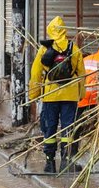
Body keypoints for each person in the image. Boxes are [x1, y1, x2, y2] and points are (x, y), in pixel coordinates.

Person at [29, 16, 85, 174]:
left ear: (50, 30)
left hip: (50, 96)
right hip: (70, 95)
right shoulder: (73, 49)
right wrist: (80, 94)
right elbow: (81, 73)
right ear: (64, 30)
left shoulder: (44, 49)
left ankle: (50, 163)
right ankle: (66, 162)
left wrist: (34, 94)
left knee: (50, 128)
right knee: (68, 128)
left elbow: (36, 73)